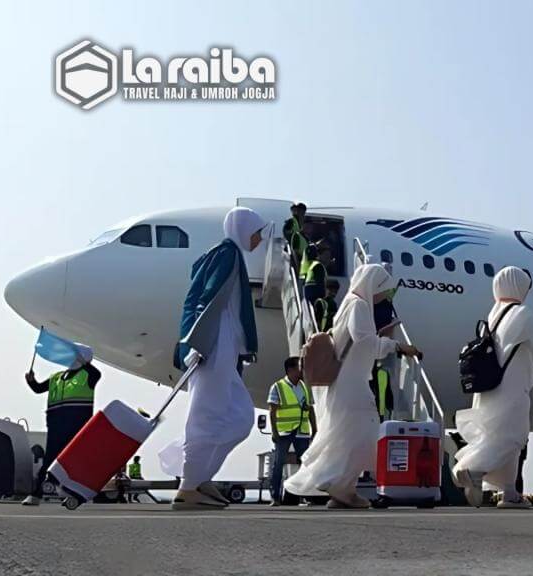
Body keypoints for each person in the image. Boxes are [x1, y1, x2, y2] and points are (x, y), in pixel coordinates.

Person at [284, 264, 421, 509]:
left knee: (346, 434)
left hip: (346, 381)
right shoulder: (359, 305)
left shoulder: (348, 303)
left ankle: (342, 490)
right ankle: (336, 484)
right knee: (363, 433)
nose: (383, 296)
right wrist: (397, 346)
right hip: (352, 382)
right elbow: (365, 341)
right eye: (383, 290)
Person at [452, 266, 533, 509]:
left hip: (489, 388)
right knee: (513, 436)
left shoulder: (493, 315)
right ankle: (472, 468)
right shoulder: (523, 314)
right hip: (511, 388)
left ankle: (509, 492)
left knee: (499, 435)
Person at [172, 206, 268, 510]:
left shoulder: (229, 255)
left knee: (241, 417)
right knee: (206, 416)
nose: (260, 239)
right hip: (214, 344)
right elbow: (206, 300)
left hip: (224, 347)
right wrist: (199, 343)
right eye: (257, 232)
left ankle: (201, 477)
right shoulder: (227, 254)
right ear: (243, 229)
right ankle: (188, 486)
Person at [22, 346, 100, 506]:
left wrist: (83, 360)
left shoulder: (89, 375)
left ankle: (77, 495)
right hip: (56, 426)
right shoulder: (56, 377)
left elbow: (96, 373)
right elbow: (38, 389)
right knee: (49, 460)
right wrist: (31, 381)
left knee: (75, 461)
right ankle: (36, 494)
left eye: (72, 354)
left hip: (77, 427)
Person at [268, 356, 316, 506]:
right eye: (299, 367)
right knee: (278, 464)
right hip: (284, 432)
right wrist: (274, 432)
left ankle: (305, 495)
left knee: (305, 464)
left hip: (301, 431)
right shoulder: (277, 387)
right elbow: (272, 411)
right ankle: (275, 496)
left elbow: (310, 409)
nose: (302, 370)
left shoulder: (304, 387)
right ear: (290, 370)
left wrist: (314, 429)